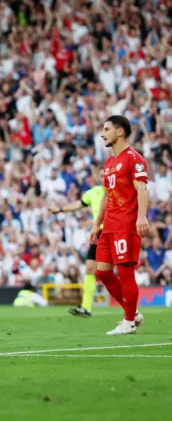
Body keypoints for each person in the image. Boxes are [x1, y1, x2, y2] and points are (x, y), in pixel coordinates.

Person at [90, 115, 149, 335]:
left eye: (106, 129)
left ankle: (128, 322)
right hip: (109, 225)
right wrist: (97, 224)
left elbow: (141, 189)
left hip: (126, 223)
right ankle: (132, 312)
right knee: (103, 272)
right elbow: (107, 195)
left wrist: (142, 216)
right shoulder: (109, 163)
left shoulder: (134, 159)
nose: (102, 133)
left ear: (120, 132)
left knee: (125, 272)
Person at [50, 184, 106, 317]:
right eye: (102, 175)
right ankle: (86, 307)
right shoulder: (94, 192)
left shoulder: (116, 189)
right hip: (98, 232)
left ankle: (132, 312)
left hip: (112, 232)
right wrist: (60, 209)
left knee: (110, 271)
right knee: (90, 269)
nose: (104, 177)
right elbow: (79, 203)